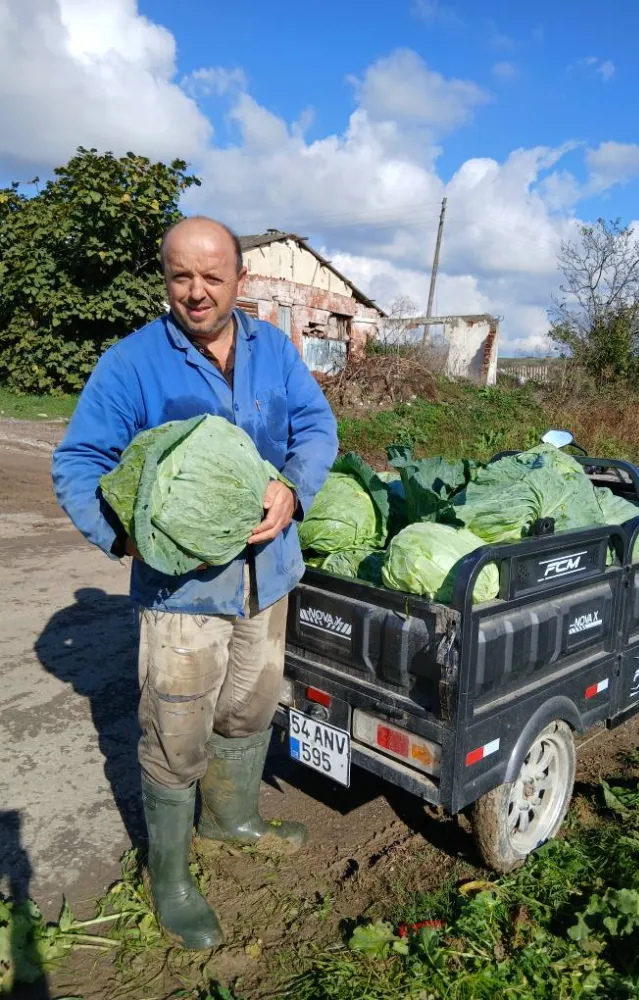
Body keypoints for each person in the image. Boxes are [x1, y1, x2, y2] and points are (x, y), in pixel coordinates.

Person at [52, 216, 338, 950]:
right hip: (182, 596)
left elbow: (315, 427)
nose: (197, 291)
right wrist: (128, 535)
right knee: (175, 738)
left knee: (249, 708)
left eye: (213, 276)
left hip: (267, 578)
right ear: (166, 279)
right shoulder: (132, 363)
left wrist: (293, 490)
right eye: (182, 276)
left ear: (240, 281)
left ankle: (232, 817)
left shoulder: (273, 348)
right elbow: (78, 462)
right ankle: (171, 879)